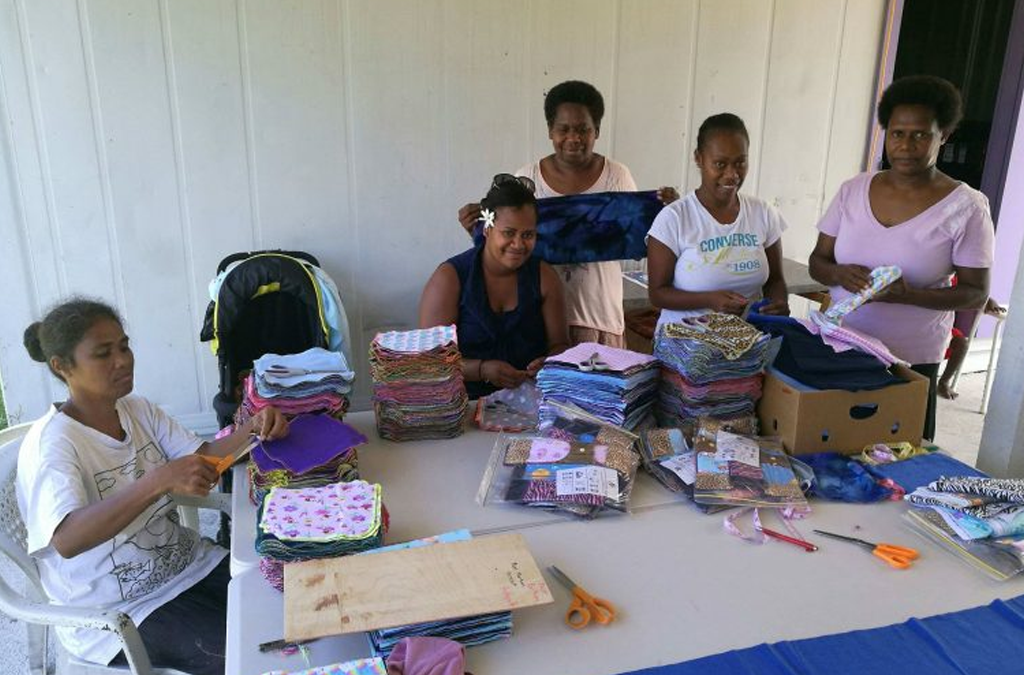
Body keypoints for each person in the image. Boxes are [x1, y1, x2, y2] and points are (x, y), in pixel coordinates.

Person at [16, 298, 289, 674]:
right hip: (122, 611)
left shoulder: (137, 408)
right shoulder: (54, 444)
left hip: (188, 565)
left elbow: (207, 455)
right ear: (62, 367)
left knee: (290, 606)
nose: (122, 360)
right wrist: (158, 481)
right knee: (258, 658)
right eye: (103, 354)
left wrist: (255, 428)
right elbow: (66, 538)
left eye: (124, 346)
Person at [808, 75, 994, 440]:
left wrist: (906, 294)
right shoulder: (853, 191)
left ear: (945, 135)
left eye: (921, 134)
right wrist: (838, 274)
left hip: (910, 360)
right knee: (832, 450)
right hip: (841, 346)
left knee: (900, 459)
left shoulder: (967, 207)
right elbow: (818, 261)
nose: (906, 145)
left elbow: (975, 293)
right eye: (897, 133)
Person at [458, 80, 678, 348]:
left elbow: (637, 244)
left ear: (596, 130)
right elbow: (507, 252)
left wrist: (665, 214)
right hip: (535, 319)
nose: (573, 138)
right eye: (564, 129)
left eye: (583, 129)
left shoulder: (617, 176)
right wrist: (481, 229)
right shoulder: (526, 179)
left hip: (599, 317)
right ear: (550, 130)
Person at [422, 174, 569, 398]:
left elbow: (560, 344)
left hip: (530, 404)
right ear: (487, 229)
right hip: (462, 408)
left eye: (528, 234)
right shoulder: (450, 278)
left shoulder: (544, 277)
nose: (518, 244)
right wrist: (481, 370)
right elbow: (429, 361)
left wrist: (550, 362)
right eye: (508, 233)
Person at [646, 113, 789, 326]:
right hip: (686, 345)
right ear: (699, 159)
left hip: (749, 342)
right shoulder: (674, 218)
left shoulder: (763, 213)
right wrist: (708, 299)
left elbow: (775, 280)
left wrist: (778, 303)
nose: (732, 174)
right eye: (720, 164)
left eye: (740, 162)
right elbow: (657, 294)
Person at [938, 297, 1006, 399]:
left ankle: (944, 382)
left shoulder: (954, 281)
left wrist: (988, 300)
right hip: (919, 327)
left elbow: (971, 293)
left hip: (941, 328)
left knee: (962, 344)